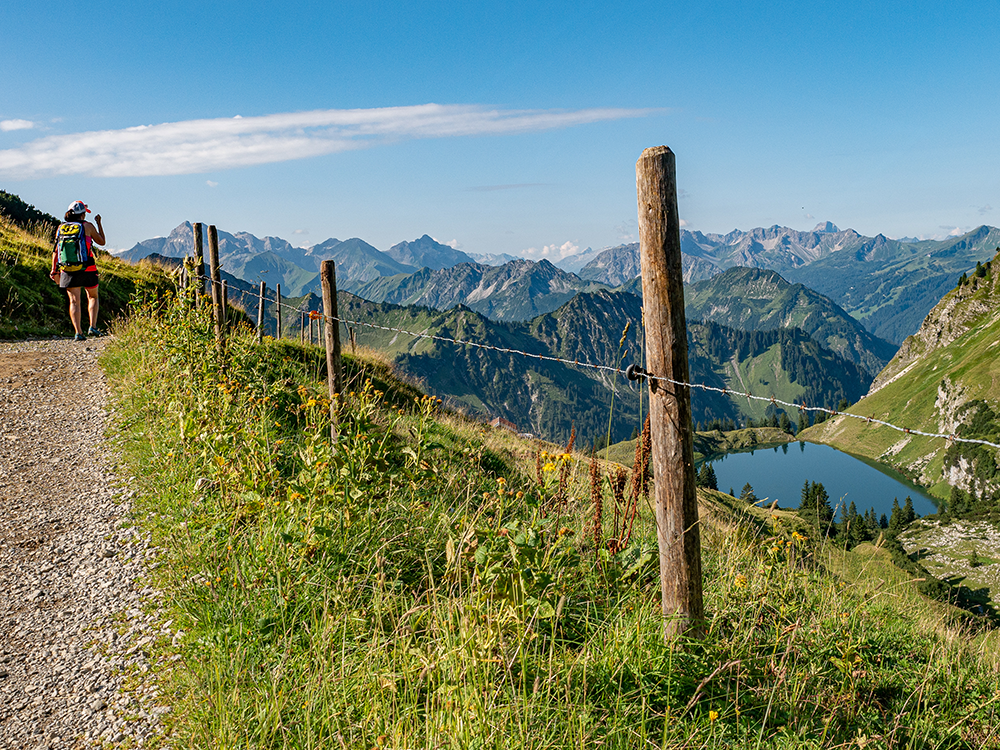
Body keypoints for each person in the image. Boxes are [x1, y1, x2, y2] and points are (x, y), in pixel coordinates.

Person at [49, 200, 105, 341]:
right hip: (88, 268)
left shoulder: (61, 228)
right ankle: (92, 327)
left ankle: (78, 332)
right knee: (92, 296)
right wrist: (99, 224)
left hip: (68, 269)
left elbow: (56, 252)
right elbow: (102, 242)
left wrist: (53, 270)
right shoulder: (88, 226)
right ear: (83, 213)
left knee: (74, 301)